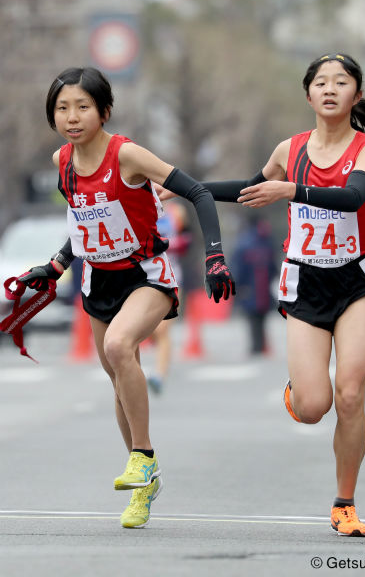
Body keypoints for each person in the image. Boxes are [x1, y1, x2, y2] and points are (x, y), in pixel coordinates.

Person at [161, 53, 365, 536]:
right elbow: (251, 190)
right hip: (306, 282)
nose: (330, 89)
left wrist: (290, 191)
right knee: (314, 407)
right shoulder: (289, 149)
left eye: (341, 82)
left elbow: (352, 197)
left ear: (356, 95)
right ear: (308, 94)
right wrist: (187, 188)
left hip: (357, 281)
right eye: (321, 83)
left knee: (350, 394)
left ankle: (344, 503)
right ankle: (300, 391)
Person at [18, 67, 235, 529]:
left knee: (120, 348)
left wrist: (214, 256)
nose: (72, 117)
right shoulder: (62, 161)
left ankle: (143, 456)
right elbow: (84, 223)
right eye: (62, 108)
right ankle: (144, 484)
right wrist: (55, 265)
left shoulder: (128, 156)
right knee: (119, 375)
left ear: (104, 111)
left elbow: (196, 192)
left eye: (82, 107)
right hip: (99, 281)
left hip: (146, 276)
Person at [146, 201, 192, 394]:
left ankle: (159, 375)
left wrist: (176, 244)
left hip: (171, 276)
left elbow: (188, 238)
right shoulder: (137, 202)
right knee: (149, 329)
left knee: (163, 329)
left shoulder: (177, 211)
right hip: (142, 276)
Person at [231, 217, 276, 355]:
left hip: (254, 287)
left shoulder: (245, 243)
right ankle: (258, 345)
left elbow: (237, 267)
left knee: (255, 317)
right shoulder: (262, 243)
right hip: (257, 287)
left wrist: (238, 285)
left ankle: (258, 346)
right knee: (256, 317)